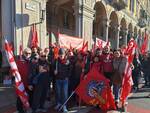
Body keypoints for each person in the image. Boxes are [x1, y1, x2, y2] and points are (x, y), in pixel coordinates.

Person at [54, 48, 71, 113]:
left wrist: (67, 76)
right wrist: (54, 71)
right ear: (58, 54)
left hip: (65, 80)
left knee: (64, 93)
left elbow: (70, 70)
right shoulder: (56, 61)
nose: (61, 56)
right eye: (60, 54)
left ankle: (64, 106)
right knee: (58, 93)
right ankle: (58, 103)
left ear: (64, 55)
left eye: (62, 54)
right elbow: (52, 68)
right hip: (58, 79)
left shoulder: (67, 61)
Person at [16, 48, 32, 113]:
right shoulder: (19, 61)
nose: (28, 54)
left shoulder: (32, 61)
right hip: (21, 84)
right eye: (26, 53)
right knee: (20, 98)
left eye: (29, 53)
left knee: (28, 97)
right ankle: (20, 110)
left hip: (29, 84)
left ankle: (27, 108)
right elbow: (13, 70)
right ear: (23, 53)